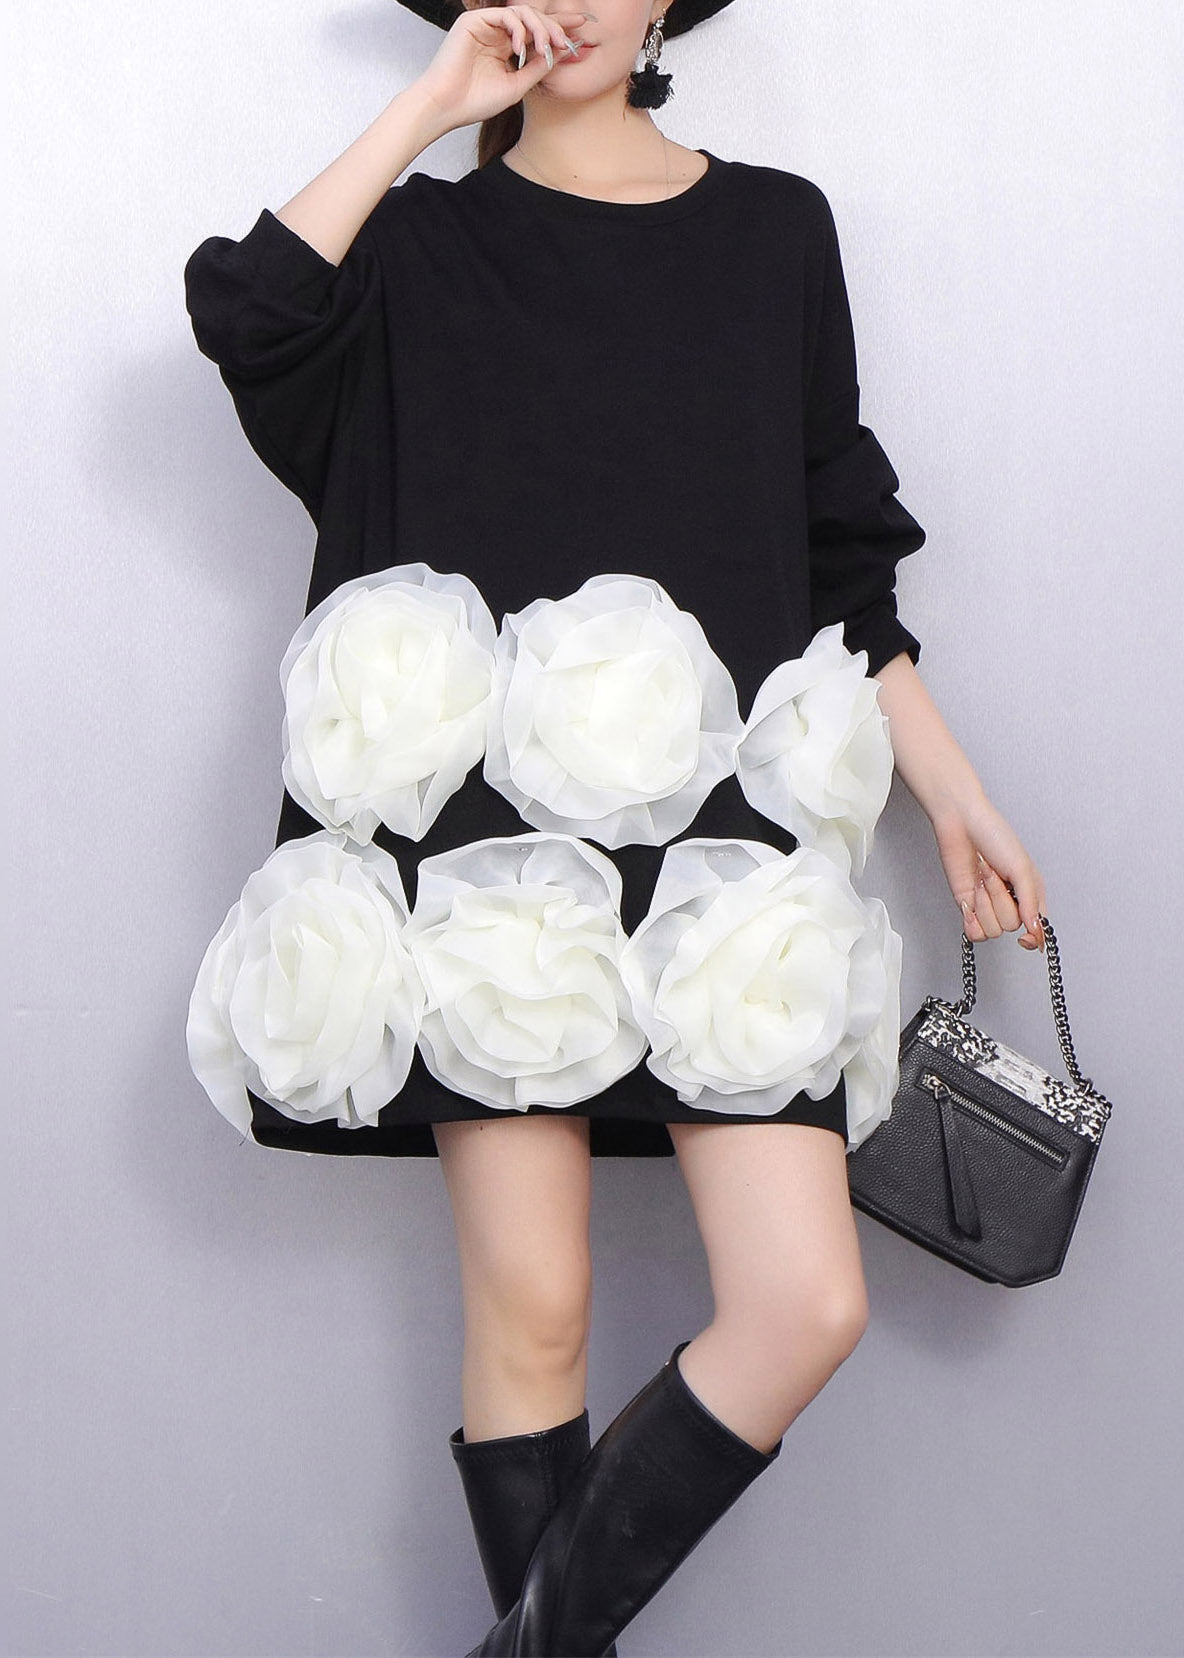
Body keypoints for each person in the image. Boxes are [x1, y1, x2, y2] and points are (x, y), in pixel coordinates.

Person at [183, 2, 1049, 1650]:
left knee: (803, 1300)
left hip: (724, 855)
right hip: (486, 856)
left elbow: (844, 566)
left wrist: (955, 793)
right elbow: (249, 308)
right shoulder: (420, 246)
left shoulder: (776, 232)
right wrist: (435, 103)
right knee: (537, 1311)